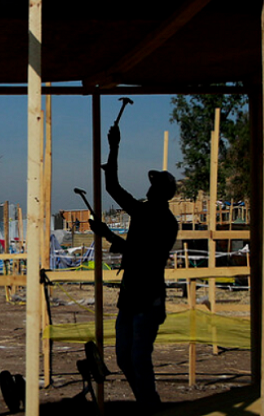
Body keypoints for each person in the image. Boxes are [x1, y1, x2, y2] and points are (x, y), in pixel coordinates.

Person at [88, 124, 178, 412]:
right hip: (132, 297)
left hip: (147, 300)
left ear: (162, 193)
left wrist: (107, 235)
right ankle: (147, 405)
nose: (148, 188)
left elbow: (143, 255)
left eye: (154, 185)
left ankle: (150, 407)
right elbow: (112, 186)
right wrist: (114, 148)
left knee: (137, 358)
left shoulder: (162, 220)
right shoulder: (145, 212)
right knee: (126, 359)